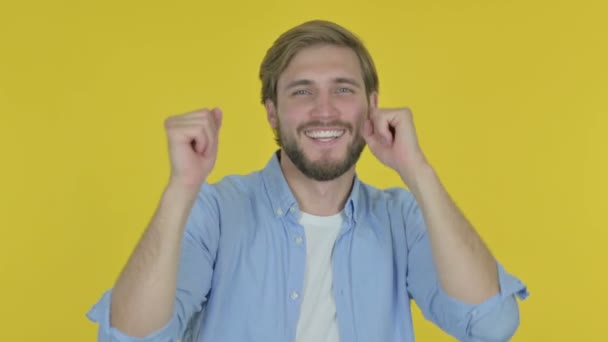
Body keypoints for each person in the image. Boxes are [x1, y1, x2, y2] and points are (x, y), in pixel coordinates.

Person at [87, 20, 529, 342]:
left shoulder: (403, 218)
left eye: (343, 89)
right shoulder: (215, 212)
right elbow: (130, 338)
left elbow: (492, 325)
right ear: (272, 111)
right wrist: (180, 189)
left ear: (371, 105)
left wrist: (418, 171)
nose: (324, 110)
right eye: (301, 91)